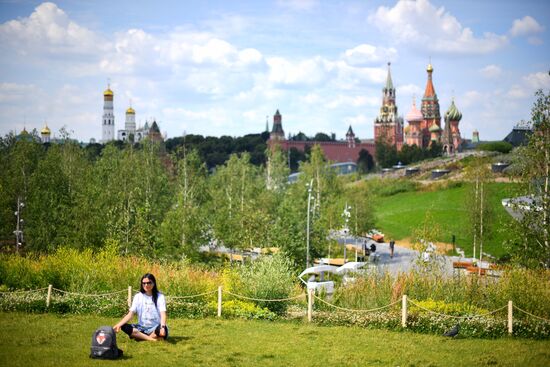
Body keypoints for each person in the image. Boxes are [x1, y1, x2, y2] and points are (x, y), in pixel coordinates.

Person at [114, 273, 168, 341]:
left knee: (163, 330)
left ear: (154, 283)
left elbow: (163, 314)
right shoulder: (138, 296)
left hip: (155, 327)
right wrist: (118, 325)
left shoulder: (160, 296)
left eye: (149, 283)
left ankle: (140, 336)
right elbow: (130, 314)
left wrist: (162, 327)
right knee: (124, 326)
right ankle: (152, 339)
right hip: (141, 327)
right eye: (144, 283)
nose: (146, 285)